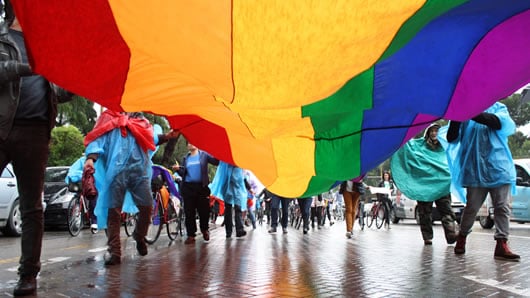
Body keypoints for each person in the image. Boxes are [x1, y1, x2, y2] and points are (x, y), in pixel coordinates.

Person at [0, 3, 74, 295]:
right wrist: (28, 67)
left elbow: (57, 91)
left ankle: (28, 276)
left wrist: (75, 82)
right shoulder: (3, 37)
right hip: (2, 127)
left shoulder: (45, 46)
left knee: (32, 207)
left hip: (35, 132)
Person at [84, 110, 177, 266]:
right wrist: (91, 159)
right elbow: (98, 139)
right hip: (117, 172)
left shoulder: (142, 121)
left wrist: (167, 136)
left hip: (139, 172)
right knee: (113, 211)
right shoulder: (109, 118)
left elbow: (151, 138)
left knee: (147, 208)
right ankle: (114, 252)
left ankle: (139, 236)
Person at [446, 102, 520, 261]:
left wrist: (468, 111)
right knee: (472, 207)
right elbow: (451, 137)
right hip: (474, 168)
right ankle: (462, 236)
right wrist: (456, 117)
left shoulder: (498, 108)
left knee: (502, 206)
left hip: (498, 167)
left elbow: (498, 122)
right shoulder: (462, 112)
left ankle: (502, 243)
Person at [391, 123, 457, 245]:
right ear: (427, 133)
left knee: (446, 210)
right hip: (424, 187)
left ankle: (451, 234)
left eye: (436, 131)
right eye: (431, 131)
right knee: (425, 213)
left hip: (441, 186)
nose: (434, 133)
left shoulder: (445, 147)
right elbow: (407, 145)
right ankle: (427, 237)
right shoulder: (419, 145)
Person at [175, 142, 219, 244]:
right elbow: (184, 173)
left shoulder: (204, 155)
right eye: (189, 143)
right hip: (188, 187)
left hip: (201, 187)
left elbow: (217, 162)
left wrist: (218, 152)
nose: (191, 144)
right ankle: (191, 235)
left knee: (204, 211)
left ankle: (204, 229)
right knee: (189, 212)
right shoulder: (185, 158)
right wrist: (178, 170)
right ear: (187, 146)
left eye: (193, 141)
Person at [66, 155, 98, 232]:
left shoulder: (98, 161)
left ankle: (94, 221)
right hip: (82, 184)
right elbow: (73, 170)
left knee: (93, 198)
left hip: (92, 184)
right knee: (78, 196)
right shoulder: (82, 160)